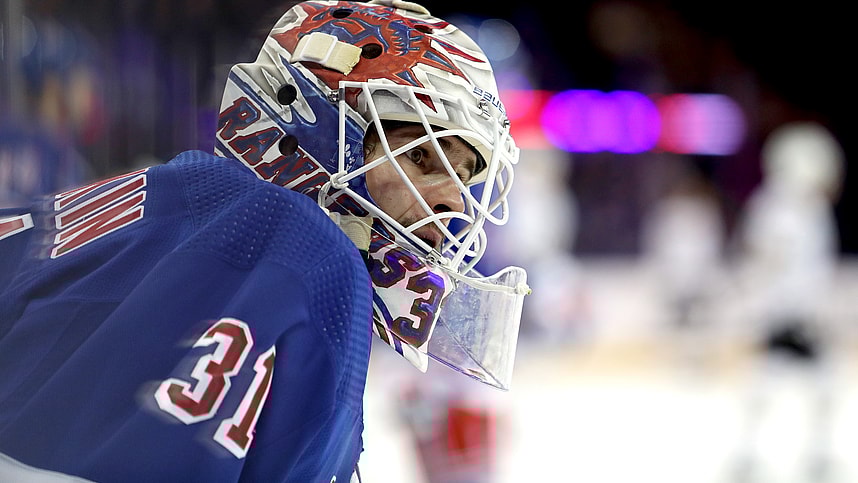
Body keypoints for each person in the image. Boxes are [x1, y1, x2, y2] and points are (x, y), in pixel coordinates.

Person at [0, 1, 529, 482]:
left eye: (465, 176)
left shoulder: (161, 198)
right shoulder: (318, 261)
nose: (455, 203)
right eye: (420, 156)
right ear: (314, 125)